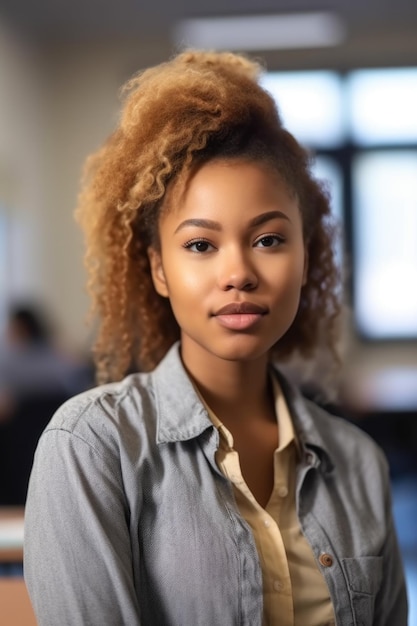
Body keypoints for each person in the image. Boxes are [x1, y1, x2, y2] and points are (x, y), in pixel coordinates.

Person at [24, 50, 408, 625]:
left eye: (270, 240)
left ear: (308, 257)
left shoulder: (358, 463)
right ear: (158, 269)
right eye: (200, 245)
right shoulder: (91, 448)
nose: (238, 274)